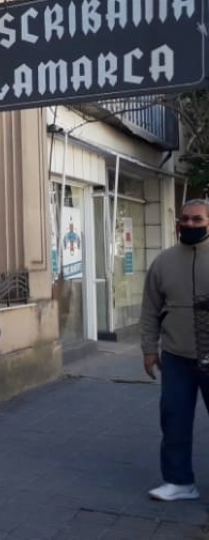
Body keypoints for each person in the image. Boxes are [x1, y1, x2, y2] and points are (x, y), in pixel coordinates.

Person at [141, 198, 209, 501]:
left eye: (197, 219)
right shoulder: (163, 262)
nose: (190, 224)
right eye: (185, 219)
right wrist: (149, 349)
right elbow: (150, 309)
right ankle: (179, 482)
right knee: (174, 420)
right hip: (176, 358)